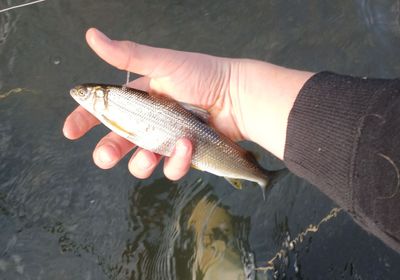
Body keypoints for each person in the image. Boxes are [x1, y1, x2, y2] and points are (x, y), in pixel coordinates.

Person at [63, 28, 400, 253]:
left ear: (100, 96)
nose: (82, 94)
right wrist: (232, 89)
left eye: (90, 93)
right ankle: (261, 176)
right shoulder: (108, 105)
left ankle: (261, 176)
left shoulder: (109, 105)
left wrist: (231, 90)